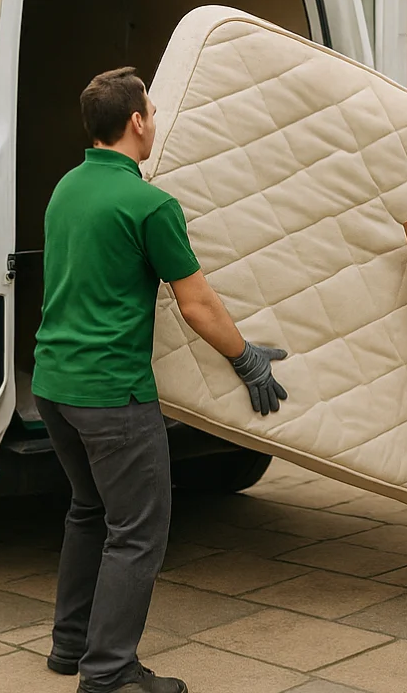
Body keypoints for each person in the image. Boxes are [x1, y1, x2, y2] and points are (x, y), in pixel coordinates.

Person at [31, 67, 290, 693]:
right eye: (151, 110)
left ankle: (70, 646)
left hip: (53, 385)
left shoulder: (66, 187)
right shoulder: (149, 205)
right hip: (111, 394)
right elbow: (197, 305)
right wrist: (246, 358)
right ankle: (109, 672)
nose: (155, 119)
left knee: (89, 510)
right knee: (137, 532)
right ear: (136, 122)